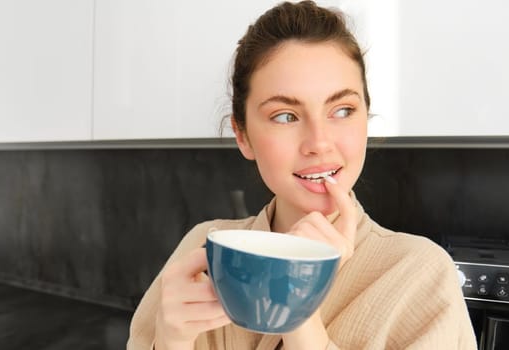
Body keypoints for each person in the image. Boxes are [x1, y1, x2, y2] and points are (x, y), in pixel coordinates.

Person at [128, 1, 477, 349]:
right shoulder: (203, 250)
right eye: (285, 116)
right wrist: (171, 341)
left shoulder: (421, 273)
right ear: (243, 135)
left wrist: (301, 308)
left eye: (342, 110)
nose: (319, 143)